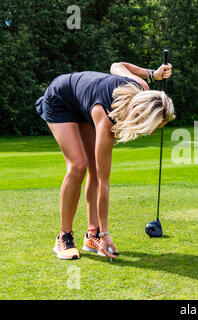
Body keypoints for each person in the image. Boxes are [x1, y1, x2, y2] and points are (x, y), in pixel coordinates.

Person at [35, 62, 174, 260]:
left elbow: (116, 66)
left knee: (93, 166)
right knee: (79, 165)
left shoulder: (141, 86)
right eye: (151, 126)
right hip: (61, 99)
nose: (151, 131)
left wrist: (152, 74)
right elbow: (104, 182)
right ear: (141, 115)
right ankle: (63, 237)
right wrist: (106, 234)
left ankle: (92, 235)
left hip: (83, 101)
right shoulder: (105, 117)